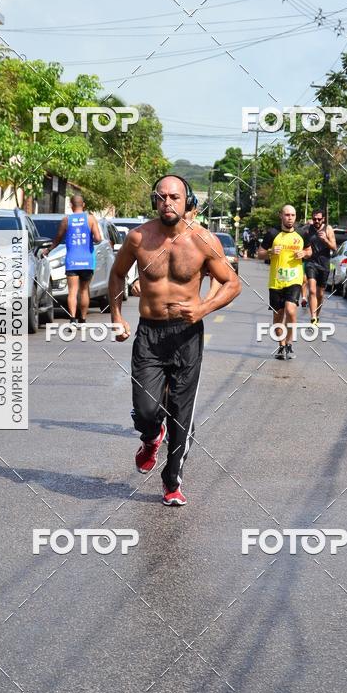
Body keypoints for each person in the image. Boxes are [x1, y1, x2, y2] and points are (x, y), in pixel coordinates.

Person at [109, 175, 241, 507]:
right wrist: (117, 316)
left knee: (182, 412)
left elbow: (232, 283)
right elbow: (116, 274)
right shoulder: (138, 238)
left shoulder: (202, 240)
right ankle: (151, 437)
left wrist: (203, 308)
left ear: (187, 202)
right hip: (150, 335)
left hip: (185, 335)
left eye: (175, 197)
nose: (167, 202)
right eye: (162, 196)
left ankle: (172, 481)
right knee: (146, 409)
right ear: (155, 200)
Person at [258, 205, 311, 360]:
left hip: (294, 280)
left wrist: (304, 253)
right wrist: (269, 252)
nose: (290, 218)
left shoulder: (302, 233)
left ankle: (289, 344)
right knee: (278, 316)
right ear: (280, 215)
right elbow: (259, 254)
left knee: (291, 310)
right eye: (287, 215)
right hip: (276, 282)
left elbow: (309, 251)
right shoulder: (272, 234)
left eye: (293, 215)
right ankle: (281, 346)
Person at [46, 195, 103, 324]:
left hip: (72, 261)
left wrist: (48, 250)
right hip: (87, 260)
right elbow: (98, 239)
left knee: (72, 291)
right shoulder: (90, 219)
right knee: (84, 291)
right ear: (83, 205)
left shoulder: (66, 220)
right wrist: (90, 239)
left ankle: (72, 319)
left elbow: (58, 238)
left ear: (71, 205)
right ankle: (82, 319)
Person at [301, 208, 336, 324]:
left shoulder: (328, 229)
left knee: (320, 294)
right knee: (311, 289)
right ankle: (313, 316)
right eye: (314, 218)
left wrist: (325, 240)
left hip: (324, 264)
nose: (316, 221)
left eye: (319, 219)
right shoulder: (307, 229)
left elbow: (334, 248)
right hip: (311, 263)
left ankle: (317, 314)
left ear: (323, 219)